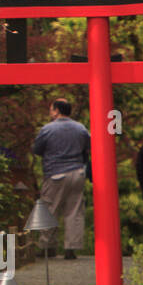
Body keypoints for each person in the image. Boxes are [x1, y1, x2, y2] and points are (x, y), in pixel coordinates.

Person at [31, 97, 90, 260]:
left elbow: (37, 149)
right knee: (75, 211)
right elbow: (88, 148)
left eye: (51, 109)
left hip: (55, 173)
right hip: (77, 172)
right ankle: (71, 248)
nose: (50, 112)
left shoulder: (48, 129)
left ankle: (47, 246)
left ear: (57, 111)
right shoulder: (81, 128)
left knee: (50, 209)